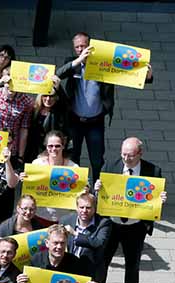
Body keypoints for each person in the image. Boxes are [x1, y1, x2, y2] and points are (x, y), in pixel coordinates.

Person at [95, 137, 167, 283]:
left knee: (132, 265)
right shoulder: (110, 166)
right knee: (103, 262)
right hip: (111, 224)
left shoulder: (152, 171)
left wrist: (160, 199)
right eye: (124, 154)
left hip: (135, 227)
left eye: (131, 155)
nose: (126, 159)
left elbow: (154, 198)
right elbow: (100, 192)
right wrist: (97, 189)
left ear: (140, 154)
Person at [55, 33, 118, 179]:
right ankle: (73, 191)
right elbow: (57, 74)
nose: (80, 49)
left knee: (97, 160)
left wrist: (147, 76)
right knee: (73, 158)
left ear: (90, 46)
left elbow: (127, 76)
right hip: (75, 120)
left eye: (83, 46)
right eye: (77, 47)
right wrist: (78, 61)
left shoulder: (104, 66)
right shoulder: (73, 63)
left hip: (95, 122)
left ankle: (96, 190)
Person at [60, 192, 110, 283]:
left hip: (91, 270)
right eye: (81, 207)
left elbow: (98, 243)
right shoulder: (65, 220)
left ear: (95, 209)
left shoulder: (103, 223)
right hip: (68, 267)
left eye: (88, 208)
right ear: (76, 208)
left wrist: (75, 234)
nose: (84, 211)